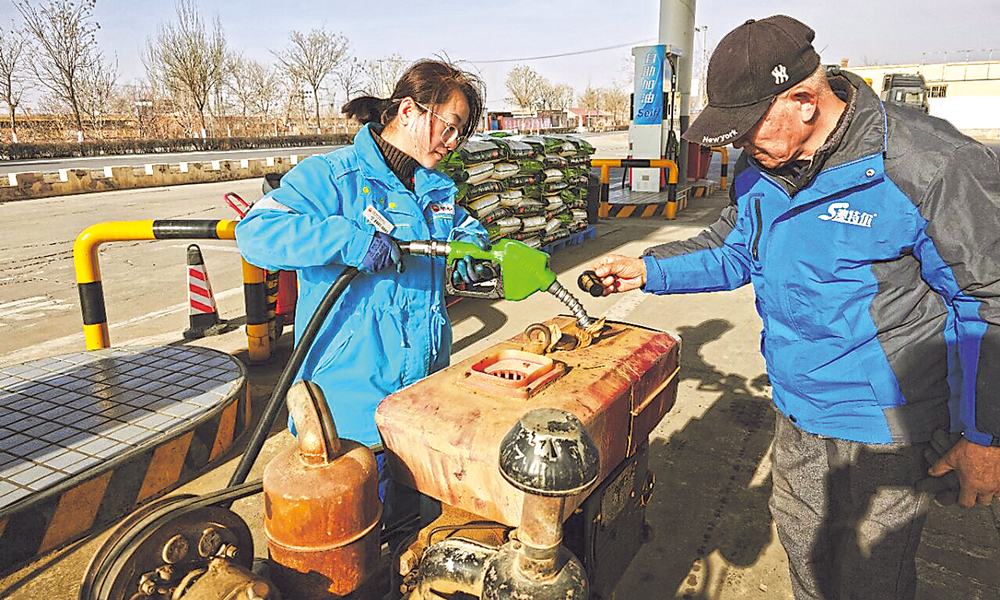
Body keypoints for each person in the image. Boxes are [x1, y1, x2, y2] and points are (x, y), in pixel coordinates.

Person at [591, 15, 1000, 600]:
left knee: (870, 579)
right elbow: (733, 250)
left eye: (747, 126)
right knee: (805, 557)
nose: (738, 144)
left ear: (805, 100)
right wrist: (647, 269)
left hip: (886, 426)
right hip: (795, 408)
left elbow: (989, 300)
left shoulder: (928, 165)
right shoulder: (762, 166)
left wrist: (987, 437)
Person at [235, 60, 490, 510]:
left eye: (460, 133)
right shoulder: (333, 177)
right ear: (408, 111)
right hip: (347, 402)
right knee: (354, 534)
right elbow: (256, 233)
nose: (453, 143)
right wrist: (347, 239)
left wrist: (471, 246)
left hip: (424, 393)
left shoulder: (437, 188)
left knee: (416, 525)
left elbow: (466, 226)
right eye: (450, 127)